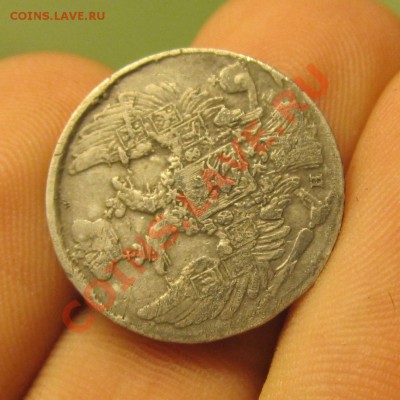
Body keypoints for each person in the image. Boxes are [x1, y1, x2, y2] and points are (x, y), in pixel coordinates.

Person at [1, 0, 399, 398]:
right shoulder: (179, 191)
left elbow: (168, 197)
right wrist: (128, 194)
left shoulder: (197, 163)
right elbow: (158, 199)